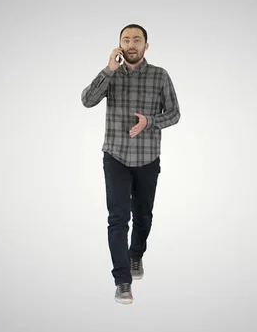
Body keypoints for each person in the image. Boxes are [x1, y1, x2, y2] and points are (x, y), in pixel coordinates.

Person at [81, 24, 181, 304]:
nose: (131, 44)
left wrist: (150, 122)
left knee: (144, 215)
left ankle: (136, 255)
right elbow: (87, 101)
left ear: (146, 45)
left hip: (148, 157)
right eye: (126, 40)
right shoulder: (110, 75)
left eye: (137, 39)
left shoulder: (160, 76)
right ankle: (122, 281)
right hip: (115, 156)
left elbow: (174, 114)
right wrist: (108, 70)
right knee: (117, 218)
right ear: (120, 45)